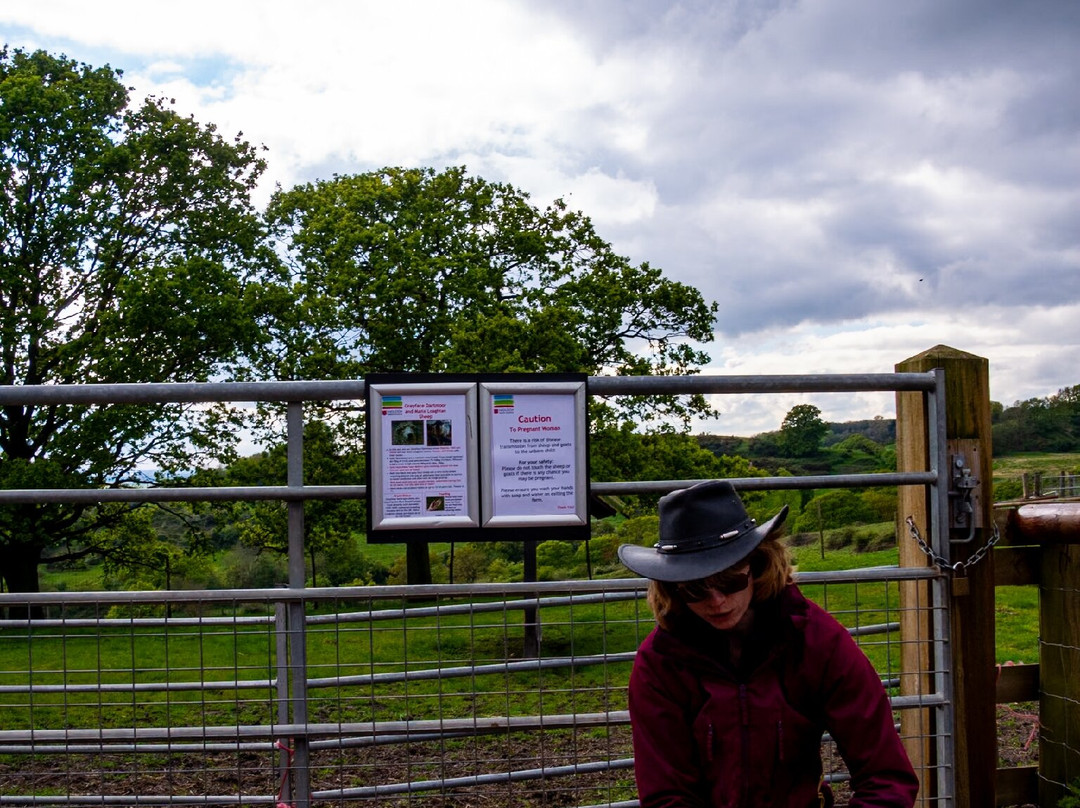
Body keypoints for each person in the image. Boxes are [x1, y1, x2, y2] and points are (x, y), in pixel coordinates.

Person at [618, 480, 918, 808]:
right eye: (694, 589)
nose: (716, 601)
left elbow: (886, 776)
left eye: (730, 580)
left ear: (758, 564)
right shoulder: (660, 663)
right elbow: (666, 796)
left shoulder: (817, 641)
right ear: (671, 588)